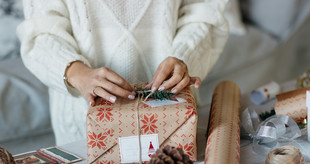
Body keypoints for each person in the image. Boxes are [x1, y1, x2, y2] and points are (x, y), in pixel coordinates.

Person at [17, 0, 229, 145]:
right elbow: (39, 33)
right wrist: (77, 73)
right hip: (83, 124)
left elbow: (204, 12)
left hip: (172, 118)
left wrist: (185, 56)